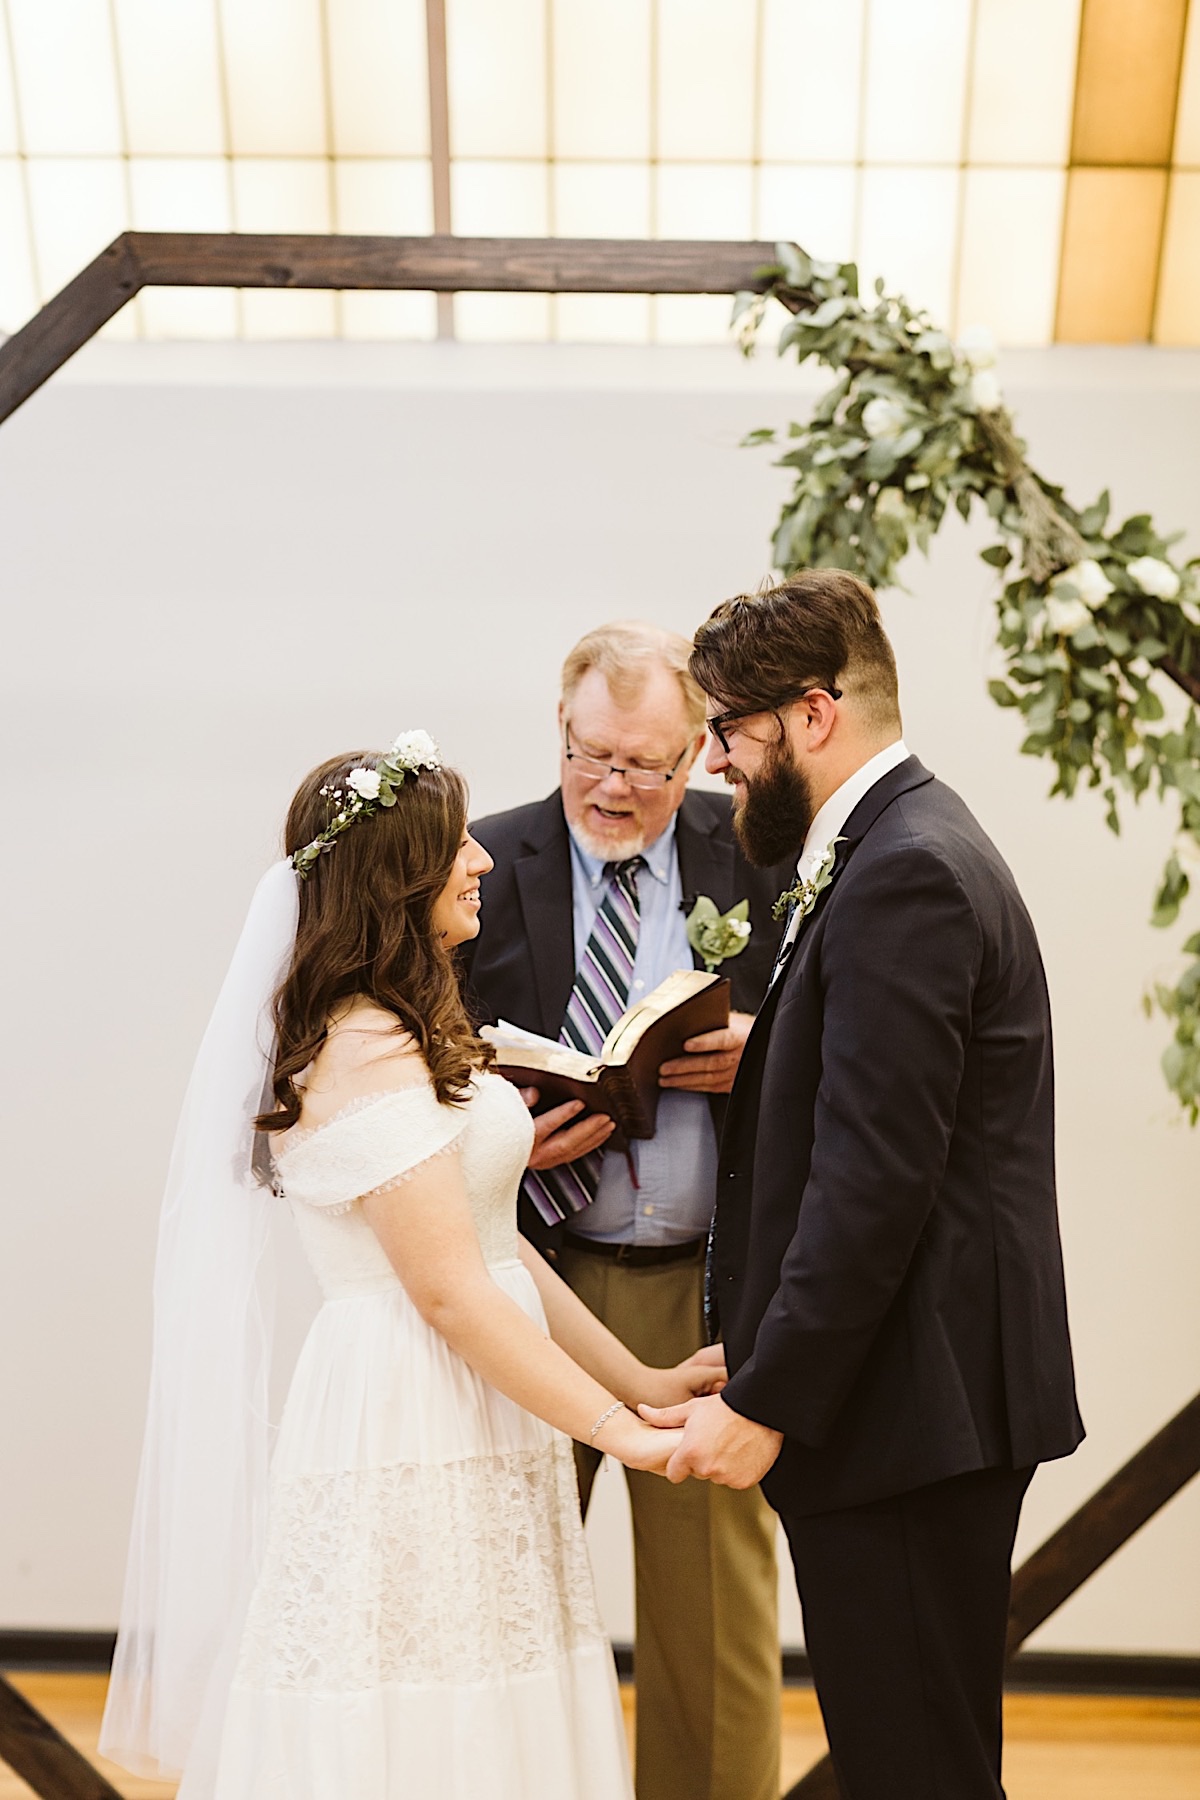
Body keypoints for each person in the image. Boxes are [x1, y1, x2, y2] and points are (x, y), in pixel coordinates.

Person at [100, 729, 731, 1800]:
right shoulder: (359, 1049)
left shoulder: (410, 1026)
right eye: (455, 849)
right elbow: (448, 1293)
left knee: (497, 1676)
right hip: (406, 1403)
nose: (480, 860)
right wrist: (620, 1435)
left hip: (473, 1388)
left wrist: (645, 1383)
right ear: (398, 877)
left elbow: (500, 1249)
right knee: (419, 1695)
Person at [642, 574, 1085, 1800]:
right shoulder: (894, 844)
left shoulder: (907, 870)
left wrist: (774, 1391)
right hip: (904, 1395)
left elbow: (875, 1178)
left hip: (906, 1409)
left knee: (915, 1768)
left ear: (814, 714)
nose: (719, 761)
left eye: (730, 730)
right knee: (920, 1754)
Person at [462, 623, 790, 1800]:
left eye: (646, 766)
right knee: (508, 1596)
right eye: (592, 755)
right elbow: (430, 1072)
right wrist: (506, 1141)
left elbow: (844, 1030)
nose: (613, 786)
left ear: (697, 751)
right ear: (562, 732)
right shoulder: (485, 864)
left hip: (706, 1282)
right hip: (533, 1278)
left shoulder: (756, 852)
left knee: (716, 1624)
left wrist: (767, 1049)